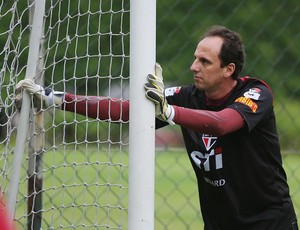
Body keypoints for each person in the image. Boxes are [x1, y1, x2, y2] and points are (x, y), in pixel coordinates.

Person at [15, 25, 298, 230]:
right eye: (195, 58)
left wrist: (170, 112)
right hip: (219, 223)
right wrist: (58, 99)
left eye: (204, 61)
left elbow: (222, 123)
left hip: (270, 221)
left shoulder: (256, 93)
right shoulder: (189, 97)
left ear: (229, 69)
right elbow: (126, 111)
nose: (193, 66)